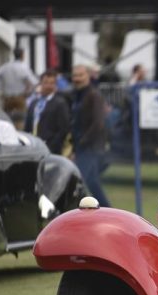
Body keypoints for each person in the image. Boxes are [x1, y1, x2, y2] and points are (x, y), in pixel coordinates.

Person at [70, 64, 110, 207]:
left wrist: (82, 142)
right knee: (93, 184)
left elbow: (98, 124)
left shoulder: (94, 95)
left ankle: (74, 213)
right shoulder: (76, 95)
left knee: (78, 183)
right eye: (75, 75)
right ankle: (109, 211)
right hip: (81, 147)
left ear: (88, 76)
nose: (77, 78)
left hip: (91, 148)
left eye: (81, 75)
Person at [24, 70, 71, 155]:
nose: (48, 86)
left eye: (52, 83)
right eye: (46, 82)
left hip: (50, 148)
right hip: (33, 147)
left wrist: (53, 146)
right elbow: (28, 125)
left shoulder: (60, 103)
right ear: (40, 84)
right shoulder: (34, 102)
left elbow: (63, 129)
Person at [0, 47, 38, 129]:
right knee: (20, 120)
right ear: (23, 55)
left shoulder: (6, 66)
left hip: (7, 98)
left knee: (7, 120)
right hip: (20, 97)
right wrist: (29, 92)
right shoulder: (23, 67)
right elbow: (34, 82)